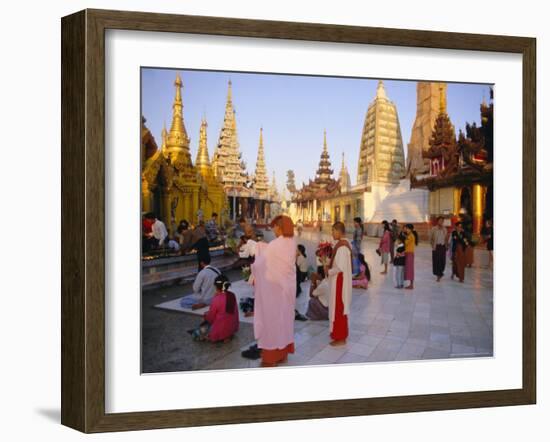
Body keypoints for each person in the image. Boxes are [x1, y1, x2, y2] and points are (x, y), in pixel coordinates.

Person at [249, 215, 297, 367]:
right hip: (287, 289)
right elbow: (273, 255)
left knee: (272, 321)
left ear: (280, 227)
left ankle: (270, 358)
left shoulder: (276, 244)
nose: (273, 229)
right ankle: (283, 354)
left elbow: (261, 263)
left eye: (275, 226)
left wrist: (257, 248)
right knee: (284, 321)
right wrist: (263, 247)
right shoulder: (292, 242)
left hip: (275, 290)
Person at [188, 274, 239, 342]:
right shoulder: (232, 295)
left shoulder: (216, 299)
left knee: (201, 328)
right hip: (233, 327)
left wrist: (206, 316)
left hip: (220, 330)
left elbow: (210, 318)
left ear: (216, 286)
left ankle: (207, 336)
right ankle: (228, 335)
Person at [325, 221, 353, 346]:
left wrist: (328, 271)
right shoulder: (342, 244)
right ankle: (337, 334)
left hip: (339, 283)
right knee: (338, 308)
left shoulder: (342, 247)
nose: (332, 233)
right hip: (339, 281)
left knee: (339, 308)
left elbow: (339, 267)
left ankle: (340, 337)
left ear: (339, 231)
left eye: (333, 231)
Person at [429, 216, 449, 282]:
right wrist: (432, 245)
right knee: (436, 261)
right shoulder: (433, 229)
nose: (441, 222)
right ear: (437, 221)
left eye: (442, 221)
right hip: (436, 247)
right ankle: (438, 275)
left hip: (443, 247)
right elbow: (430, 238)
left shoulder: (445, 229)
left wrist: (447, 246)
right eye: (440, 220)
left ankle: (441, 272)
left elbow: (446, 238)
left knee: (442, 261)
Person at [403, 223, 418, 290]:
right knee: (408, 269)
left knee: (410, 269)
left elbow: (405, 243)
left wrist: (402, 237)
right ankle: (410, 284)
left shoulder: (410, 236)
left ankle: (411, 285)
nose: (406, 230)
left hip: (409, 254)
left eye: (407, 228)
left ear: (411, 229)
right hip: (408, 253)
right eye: (406, 228)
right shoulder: (409, 235)